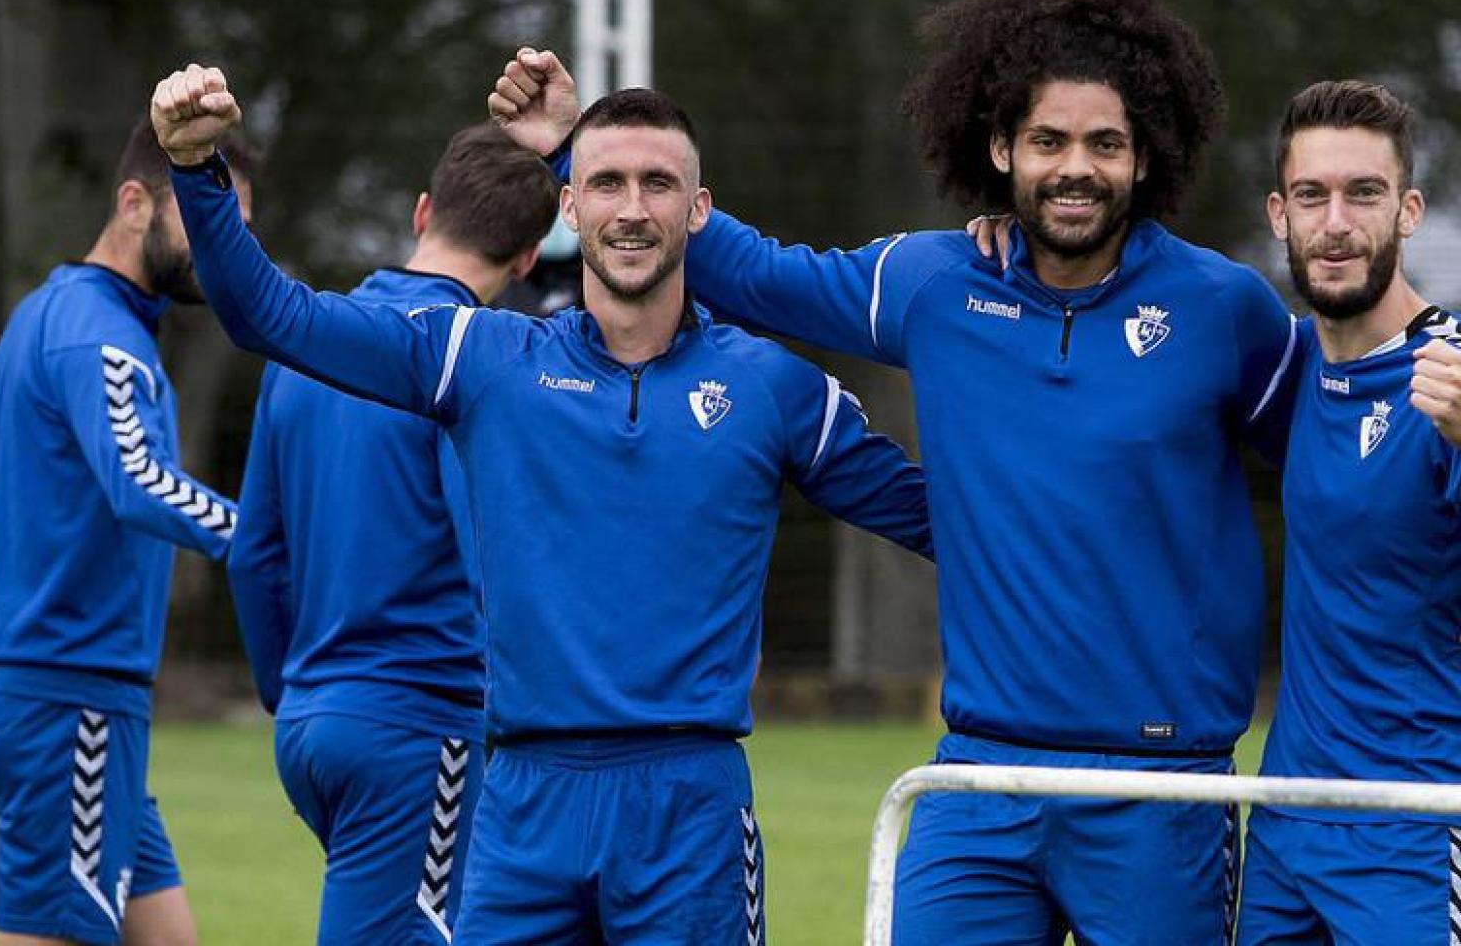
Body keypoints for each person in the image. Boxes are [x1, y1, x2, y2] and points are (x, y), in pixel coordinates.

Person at [485, 0, 1461, 946]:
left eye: (1104, 144)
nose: (1075, 167)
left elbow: (1344, 465)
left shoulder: (1221, 309)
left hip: (1164, 789)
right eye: (1048, 141)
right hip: (977, 783)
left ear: (1146, 157)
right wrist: (572, 146)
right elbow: (746, 270)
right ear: (1002, 147)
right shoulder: (933, 282)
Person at [150, 63, 933, 943]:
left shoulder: (773, 388)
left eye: (658, 184)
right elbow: (272, 316)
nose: (631, 209)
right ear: (569, 206)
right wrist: (198, 173)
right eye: (606, 183)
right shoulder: (486, 360)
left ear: (699, 210)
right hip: (523, 810)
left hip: (690, 810)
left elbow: (945, 519)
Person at [1235, 80, 1461, 945]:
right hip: (1287, 817)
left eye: (1364, 193)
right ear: (1280, 215)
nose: (1337, 223)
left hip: (1421, 823)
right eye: (1313, 196)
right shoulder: (1292, 365)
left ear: (1408, 211)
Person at [225, 124, 555, 943]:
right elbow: (486, 552)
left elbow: (254, 556)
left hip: (312, 724)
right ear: (524, 261)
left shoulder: (305, 345)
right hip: (418, 726)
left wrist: (296, 698)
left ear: (421, 212)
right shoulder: (471, 364)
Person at [0, 118, 254, 946]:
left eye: (235, 224)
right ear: (134, 204)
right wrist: (265, 535)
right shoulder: (101, 337)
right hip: (68, 702)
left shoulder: (52, 312)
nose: (224, 244)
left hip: (59, 696)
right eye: (206, 218)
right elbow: (140, 483)